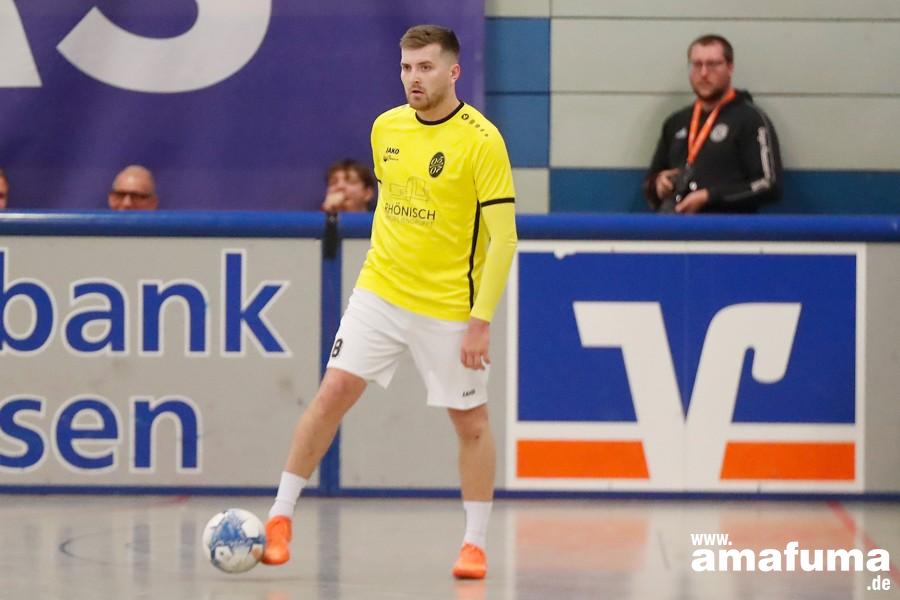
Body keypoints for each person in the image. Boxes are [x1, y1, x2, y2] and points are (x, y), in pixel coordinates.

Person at [262, 24, 518, 580]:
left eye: (425, 67)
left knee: (471, 422)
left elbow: (504, 240)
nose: (413, 78)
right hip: (380, 290)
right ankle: (280, 517)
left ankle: (474, 544)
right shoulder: (386, 128)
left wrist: (480, 320)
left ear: (453, 71)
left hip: (450, 305)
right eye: (406, 67)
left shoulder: (482, 141)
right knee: (332, 393)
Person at [643, 34, 783, 213]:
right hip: (676, 224)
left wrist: (709, 196)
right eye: (697, 64)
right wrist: (658, 185)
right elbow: (650, 183)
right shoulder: (675, 122)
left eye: (712, 64)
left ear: (730, 67)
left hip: (725, 226)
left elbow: (769, 184)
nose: (703, 73)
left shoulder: (751, 119)